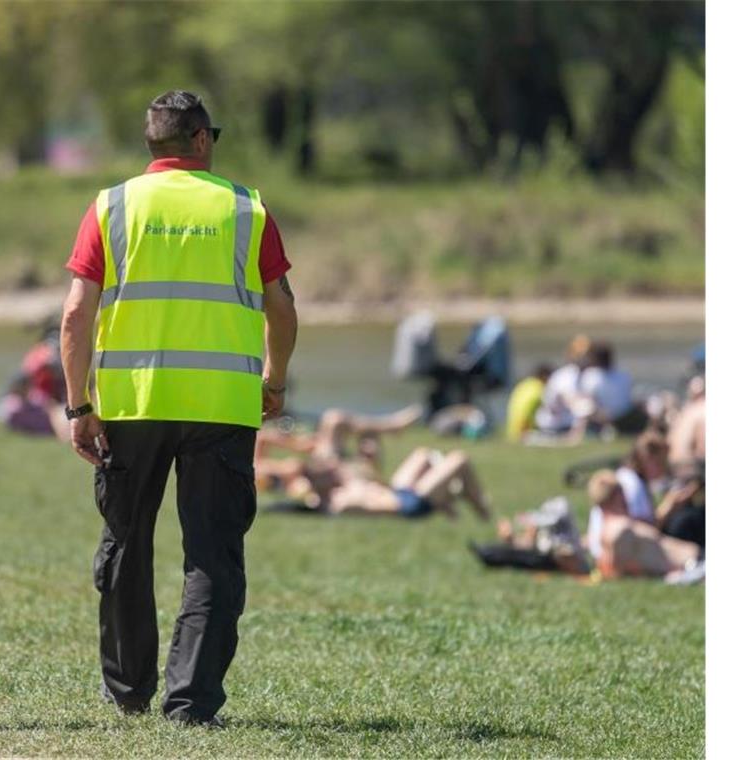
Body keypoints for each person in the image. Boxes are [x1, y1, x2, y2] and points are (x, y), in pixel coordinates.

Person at [59, 91, 298, 726]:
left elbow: (76, 314)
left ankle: (130, 691)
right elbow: (281, 307)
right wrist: (274, 381)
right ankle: (190, 703)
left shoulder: (111, 206)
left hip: (132, 404)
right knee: (213, 554)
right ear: (198, 140)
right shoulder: (246, 207)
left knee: (126, 544)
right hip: (221, 406)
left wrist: (79, 402)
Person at [255, 408, 489, 520]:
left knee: (424, 454)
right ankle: (482, 512)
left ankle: (392, 426)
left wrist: (299, 444)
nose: (325, 466)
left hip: (395, 490)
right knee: (459, 459)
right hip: (408, 503)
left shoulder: (333, 472)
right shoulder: (336, 499)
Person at [584, 471, 702, 581]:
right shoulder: (619, 527)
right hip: (690, 565)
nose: (626, 498)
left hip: (692, 562)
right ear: (615, 495)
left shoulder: (610, 527)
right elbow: (615, 569)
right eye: (621, 492)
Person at [534, 334, 591, 436]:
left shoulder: (585, 375)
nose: (585, 359)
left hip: (567, 424)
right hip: (554, 426)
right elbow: (574, 404)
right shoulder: (566, 375)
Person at [505, 363, 553, 442]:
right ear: (545, 376)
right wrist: (523, 434)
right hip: (522, 432)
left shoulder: (525, 384)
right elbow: (524, 413)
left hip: (512, 431)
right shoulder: (538, 389)